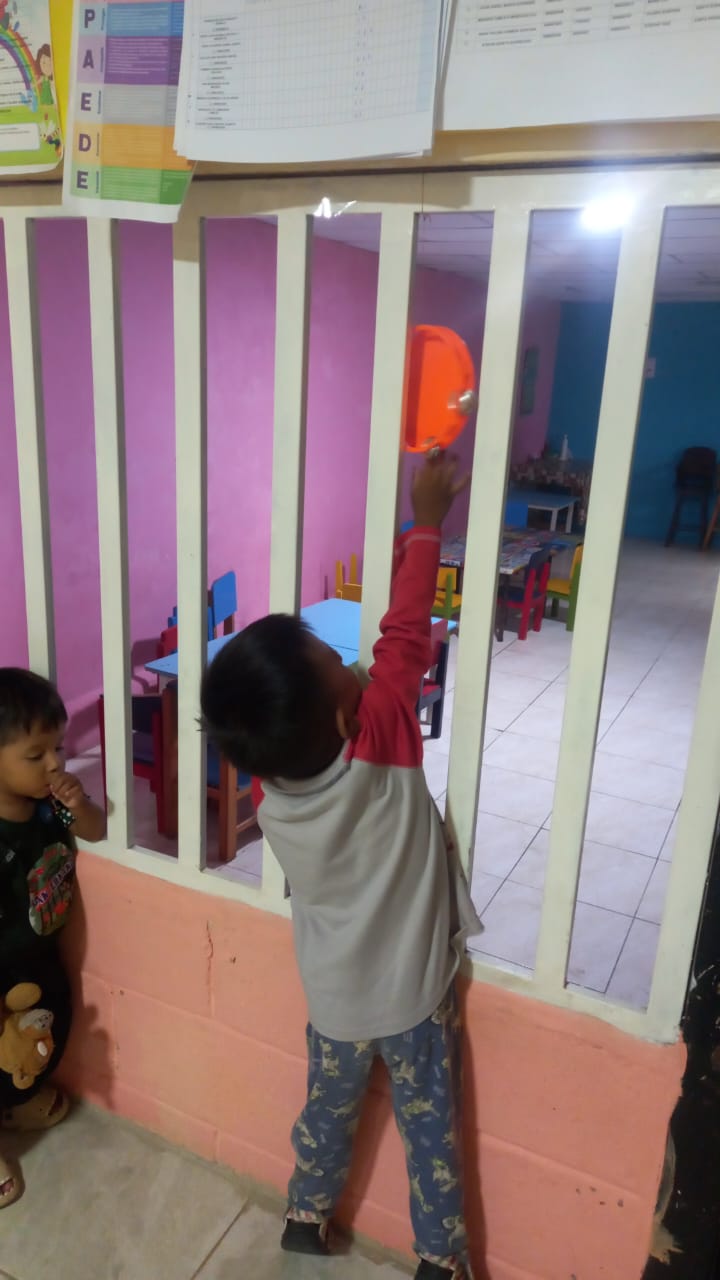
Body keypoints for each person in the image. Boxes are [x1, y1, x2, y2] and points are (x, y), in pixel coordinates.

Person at [201, 453, 481, 1280]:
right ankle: (441, 1260)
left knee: (326, 1110)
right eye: (332, 653)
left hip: (333, 1000)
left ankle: (305, 1214)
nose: (348, 654)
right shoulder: (385, 731)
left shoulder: (270, 788)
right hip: (415, 997)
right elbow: (406, 634)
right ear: (345, 716)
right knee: (431, 1133)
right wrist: (426, 520)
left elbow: (381, 655)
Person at [0, 669, 105, 1208]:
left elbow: (96, 828)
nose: (55, 764)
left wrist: (78, 803)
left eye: (58, 748)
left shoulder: (50, 806)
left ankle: (16, 1103)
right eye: (35, 754)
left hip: (40, 953)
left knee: (44, 1032)